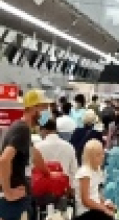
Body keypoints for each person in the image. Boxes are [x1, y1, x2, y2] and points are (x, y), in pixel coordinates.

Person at [0, 90, 53, 220]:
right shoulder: (22, 129)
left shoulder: (23, 128)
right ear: (33, 108)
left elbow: (34, 154)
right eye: (44, 108)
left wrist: (48, 173)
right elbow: (4, 160)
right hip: (15, 199)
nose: (47, 112)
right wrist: (8, 192)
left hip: (19, 196)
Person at [76, 140, 114, 218]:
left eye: (103, 153)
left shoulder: (97, 170)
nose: (102, 157)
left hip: (95, 209)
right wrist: (104, 209)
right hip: (85, 211)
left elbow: (96, 193)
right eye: (98, 155)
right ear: (90, 156)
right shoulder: (85, 173)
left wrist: (106, 203)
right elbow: (85, 200)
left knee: (116, 213)